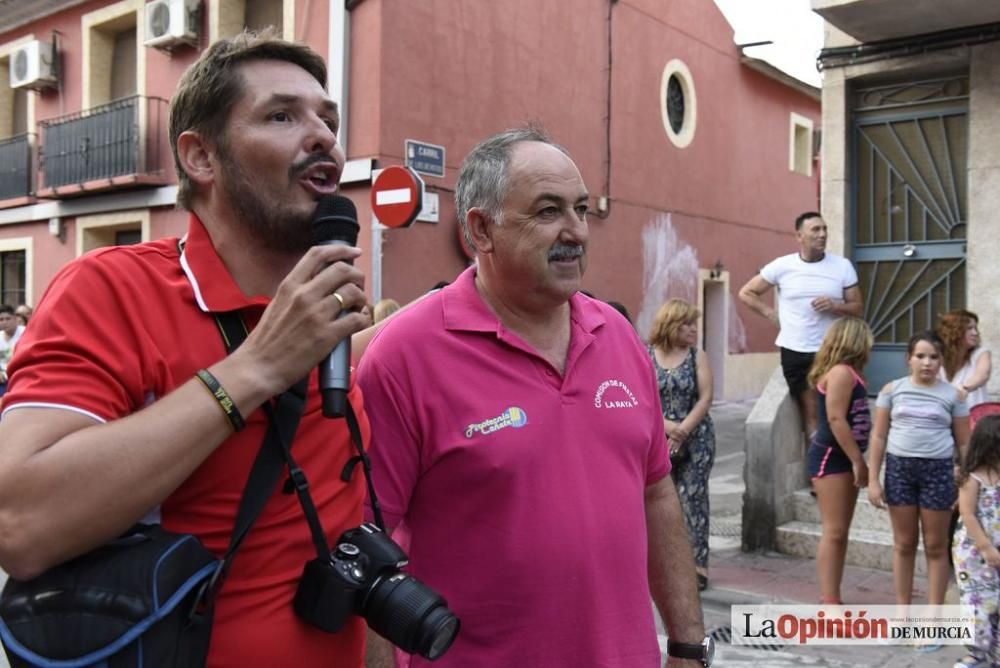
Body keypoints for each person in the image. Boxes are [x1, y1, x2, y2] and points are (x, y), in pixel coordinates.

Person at [0, 31, 373, 667]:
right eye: (282, 115)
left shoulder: (327, 318)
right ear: (201, 156)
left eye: (327, 120)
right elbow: (23, 524)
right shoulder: (111, 287)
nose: (323, 138)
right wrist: (255, 368)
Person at [358, 127, 709, 667]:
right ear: (481, 229)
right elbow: (364, 548)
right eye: (548, 212)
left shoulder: (616, 334)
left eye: (582, 210)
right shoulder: (406, 354)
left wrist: (687, 645)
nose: (576, 232)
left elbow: (657, 493)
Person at [868, 332, 970, 643]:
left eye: (934, 357)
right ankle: (902, 614)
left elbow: (964, 442)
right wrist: (873, 479)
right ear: (909, 359)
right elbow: (879, 437)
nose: (927, 363)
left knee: (937, 546)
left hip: (938, 471)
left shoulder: (954, 396)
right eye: (920, 356)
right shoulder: (892, 390)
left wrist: (964, 482)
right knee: (903, 543)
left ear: (942, 361)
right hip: (900, 469)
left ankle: (934, 618)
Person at [738, 212, 864, 443]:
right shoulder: (782, 265)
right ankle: (817, 470)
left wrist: (835, 306)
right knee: (811, 411)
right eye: (815, 230)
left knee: (838, 411)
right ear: (799, 236)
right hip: (795, 348)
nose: (823, 234)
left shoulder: (842, 266)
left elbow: (857, 308)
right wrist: (771, 314)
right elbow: (746, 292)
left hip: (833, 350)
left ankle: (840, 465)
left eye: (824, 229)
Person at [647, 298, 715, 591]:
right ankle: (664, 563)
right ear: (671, 324)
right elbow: (642, 398)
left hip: (696, 437)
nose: (693, 329)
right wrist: (668, 427)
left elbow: (706, 397)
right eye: (687, 324)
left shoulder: (697, 355)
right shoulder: (647, 355)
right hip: (659, 437)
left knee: (694, 499)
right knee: (660, 501)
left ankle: (698, 565)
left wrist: (683, 429)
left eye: (694, 324)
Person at [805, 316, 873, 604]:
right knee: (834, 532)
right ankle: (829, 601)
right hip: (833, 458)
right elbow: (835, 419)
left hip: (842, 458)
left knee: (840, 532)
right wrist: (859, 461)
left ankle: (833, 597)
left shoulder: (847, 372)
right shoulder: (842, 373)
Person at [953, 415, 1000, 668]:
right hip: (975, 551)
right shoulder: (972, 477)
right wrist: (985, 546)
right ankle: (976, 654)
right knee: (978, 603)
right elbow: (967, 512)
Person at [940, 309, 992, 408]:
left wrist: (964, 389)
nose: (975, 333)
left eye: (976, 328)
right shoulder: (938, 355)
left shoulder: (981, 353)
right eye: (969, 328)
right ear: (955, 330)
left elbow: (982, 375)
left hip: (974, 416)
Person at [0, 304, 25, 398]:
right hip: (3, 378)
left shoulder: (25, 333)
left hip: (21, 375)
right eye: (1, 320)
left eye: (8, 319)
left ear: (15, 319)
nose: (4, 322)